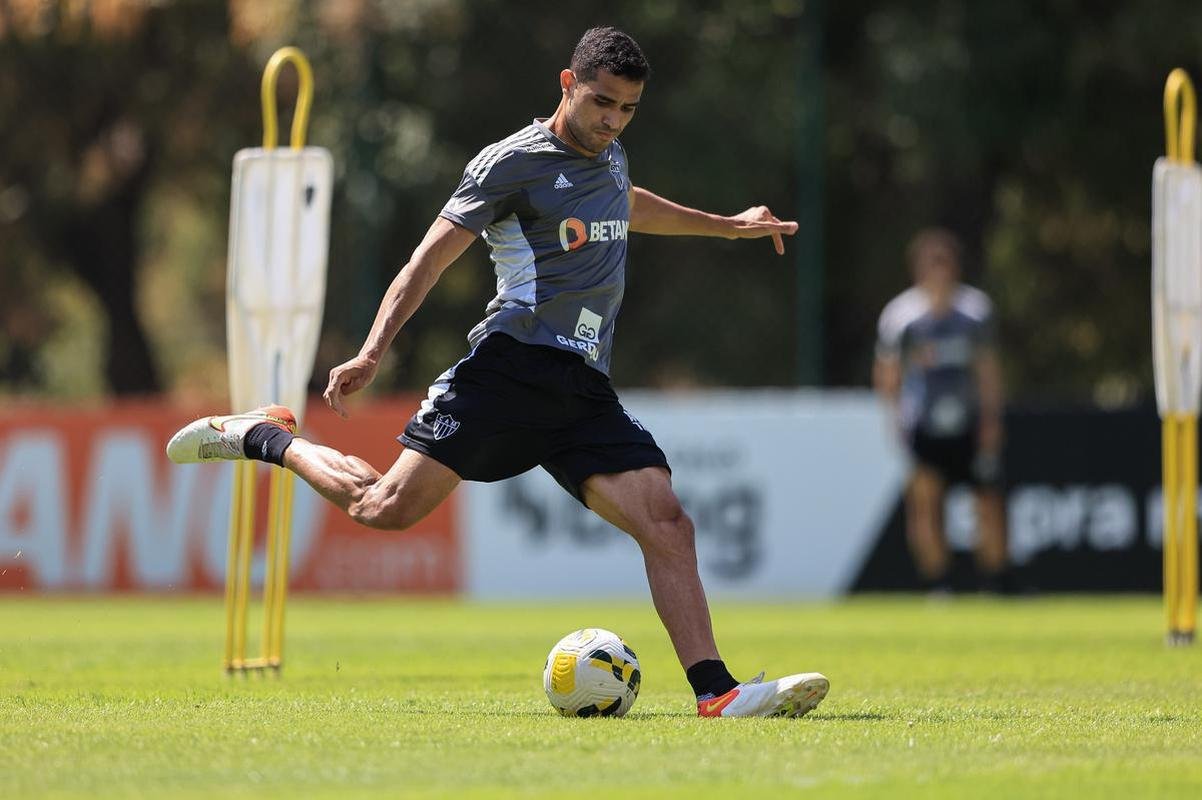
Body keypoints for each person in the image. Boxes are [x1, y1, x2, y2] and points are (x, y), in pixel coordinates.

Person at [168, 27, 827, 718]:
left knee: (668, 522)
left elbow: (624, 203)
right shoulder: (508, 164)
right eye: (602, 102)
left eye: (628, 109)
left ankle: (716, 693)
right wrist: (371, 351)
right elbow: (427, 259)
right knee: (383, 509)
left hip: (580, 386)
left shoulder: (612, 155)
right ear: (567, 84)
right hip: (510, 368)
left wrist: (727, 225)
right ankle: (266, 436)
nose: (612, 120)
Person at [873, 228, 1009, 593]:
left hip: (968, 424)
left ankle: (994, 581)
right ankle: (939, 583)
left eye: (944, 263)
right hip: (923, 425)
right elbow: (888, 374)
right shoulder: (902, 317)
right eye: (930, 264)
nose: (938, 272)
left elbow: (988, 371)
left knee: (987, 501)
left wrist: (991, 420)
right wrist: (894, 418)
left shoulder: (975, 314)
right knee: (926, 506)